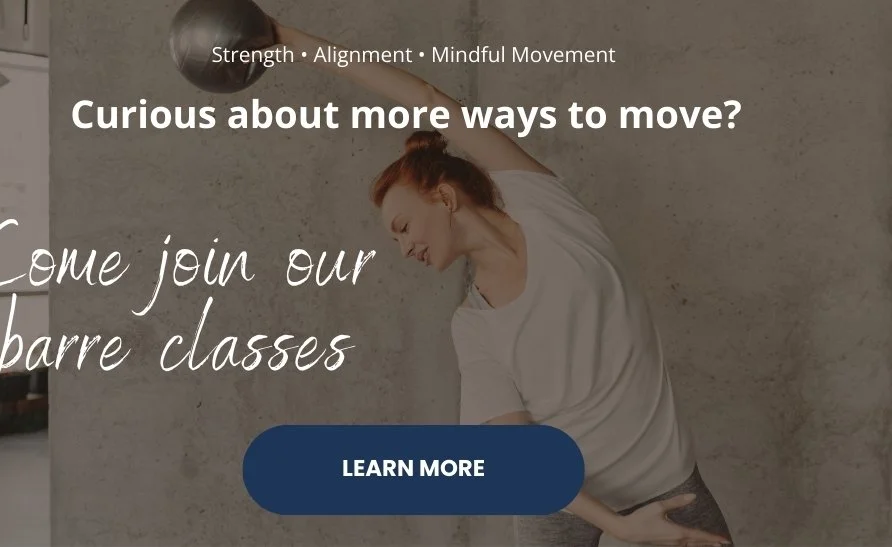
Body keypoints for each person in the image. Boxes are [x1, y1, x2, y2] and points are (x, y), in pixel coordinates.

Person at [267, 20, 735, 547]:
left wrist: (282, 39)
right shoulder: (473, 325)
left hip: (667, 485)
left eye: (402, 228)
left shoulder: (546, 207)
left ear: (444, 198)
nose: (404, 250)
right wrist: (618, 527)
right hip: (563, 500)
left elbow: (423, 95)